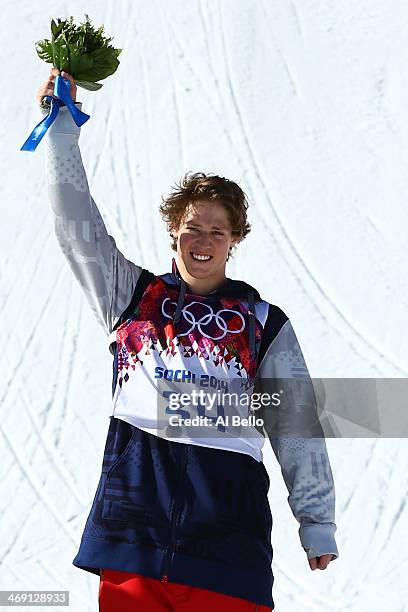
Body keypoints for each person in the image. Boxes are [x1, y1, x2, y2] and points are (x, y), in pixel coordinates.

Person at [36, 67, 339, 612]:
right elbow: (74, 224)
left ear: (235, 240)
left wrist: (315, 520)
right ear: (173, 232)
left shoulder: (262, 322)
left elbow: (296, 424)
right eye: (192, 229)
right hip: (132, 541)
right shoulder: (132, 299)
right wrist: (61, 132)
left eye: (217, 231)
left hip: (228, 550)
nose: (203, 242)